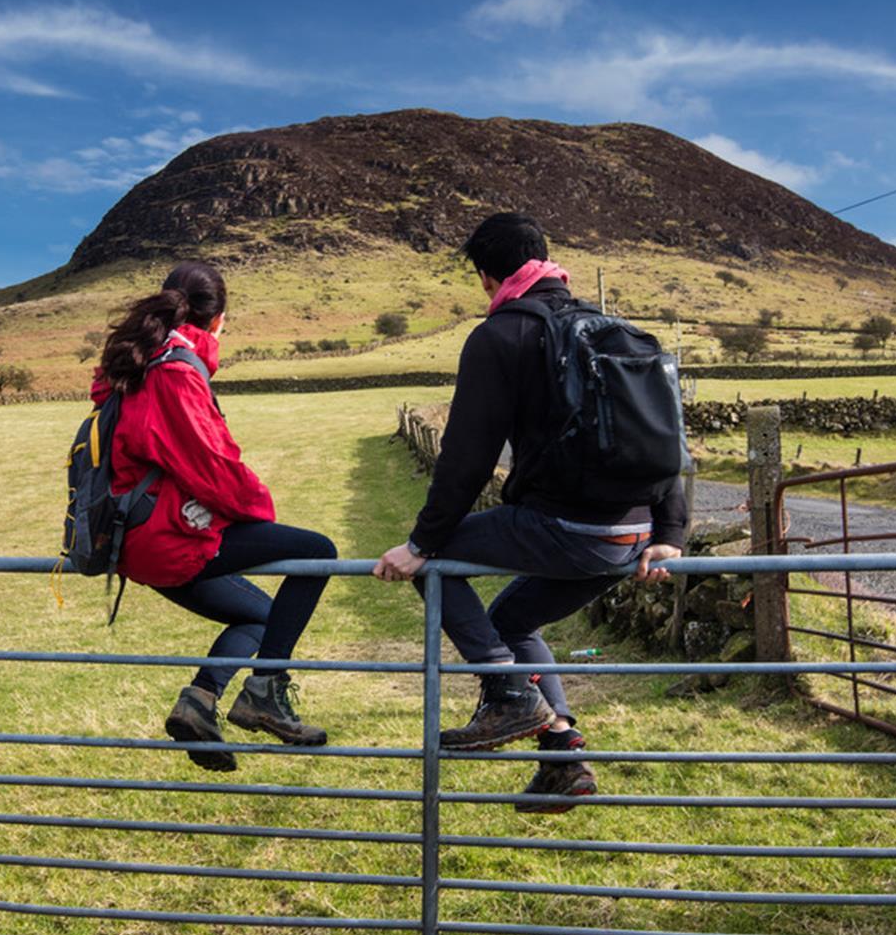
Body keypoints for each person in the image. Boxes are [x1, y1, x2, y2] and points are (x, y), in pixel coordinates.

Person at [373, 213, 685, 813]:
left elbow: (466, 457)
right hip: (633, 535)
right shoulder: (617, 329)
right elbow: (667, 435)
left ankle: (507, 690)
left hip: (566, 529)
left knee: (439, 567)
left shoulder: (503, 334)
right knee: (514, 621)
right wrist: (669, 531)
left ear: (487, 276)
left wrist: (419, 544)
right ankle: (562, 753)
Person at [92, 260, 337, 773]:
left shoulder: (133, 363)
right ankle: (265, 693)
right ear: (218, 318)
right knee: (319, 552)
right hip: (167, 536)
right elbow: (209, 465)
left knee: (262, 617)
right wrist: (260, 513)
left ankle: (200, 701)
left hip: (131, 540)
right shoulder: (175, 372)